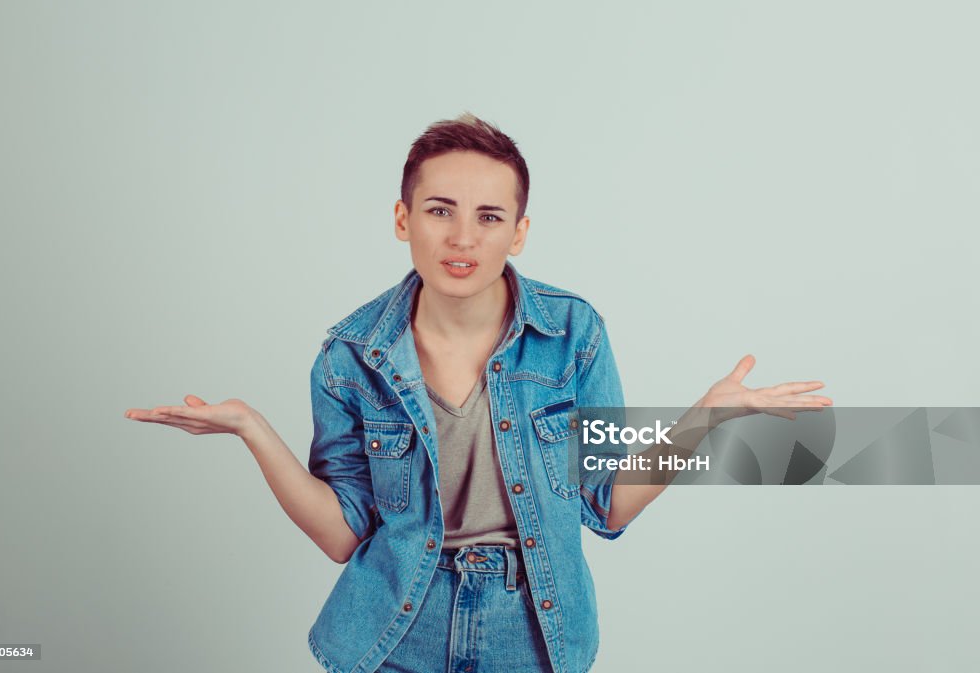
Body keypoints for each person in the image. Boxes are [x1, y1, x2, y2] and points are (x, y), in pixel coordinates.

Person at [125, 113, 832, 673]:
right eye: (439, 210)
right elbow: (342, 533)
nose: (462, 237)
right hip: (397, 631)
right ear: (403, 220)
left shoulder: (572, 332)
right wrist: (254, 429)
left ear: (518, 232)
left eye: (490, 217)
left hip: (534, 634)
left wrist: (704, 418)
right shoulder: (349, 357)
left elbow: (606, 503)